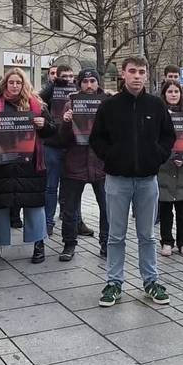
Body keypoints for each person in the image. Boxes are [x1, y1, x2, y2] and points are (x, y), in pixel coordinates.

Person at [90, 56, 176, 307]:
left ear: (147, 75)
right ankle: (114, 282)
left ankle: (151, 280)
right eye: (132, 71)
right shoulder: (109, 106)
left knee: (147, 235)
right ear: (123, 75)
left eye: (141, 72)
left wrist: (157, 156)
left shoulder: (156, 106)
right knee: (116, 235)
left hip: (148, 180)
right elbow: (97, 139)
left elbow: (168, 136)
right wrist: (112, 156)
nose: (137, 76)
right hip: (117, 180)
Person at [0, 68, 56, 265]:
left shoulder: (37, 104)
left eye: (18, 83)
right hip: (0, 165)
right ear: (5, 84)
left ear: (24, 84)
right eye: (11, 82)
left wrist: (43, 125)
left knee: (34, 205)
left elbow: (52, 130)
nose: (14, 86)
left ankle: (39, 245)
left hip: (30, 165)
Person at [59, 68, 109, 261]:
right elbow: (62, 139)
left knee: (107, 208)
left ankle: (106, 243)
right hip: (75, 163)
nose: (89, 85)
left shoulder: (107, 103)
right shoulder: (70, 104)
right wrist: (65, 123)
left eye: (93, 81)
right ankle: (69, 244)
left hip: (101, 164)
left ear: (98, 83)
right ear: (79, 84)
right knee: (70, 208)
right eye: (85, 81)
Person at [40, 65, 92, 236]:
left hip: (71, 147)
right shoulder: (50, 90)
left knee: (73, 188)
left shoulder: (78, 93)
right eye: (64, 76)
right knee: (51, 187)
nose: (68, 79)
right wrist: (54, 85)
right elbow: (38, 102)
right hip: (53, 145)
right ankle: (48, 222)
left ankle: (77, 221)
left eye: (71, 76)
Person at [157, 80, 183, 257]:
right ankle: (166, 241)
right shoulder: (158, 114)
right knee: (165, 209)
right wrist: (166, 156)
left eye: (176, 91)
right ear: (164, 94)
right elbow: (154, 140)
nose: (173, 94)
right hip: (165, 167)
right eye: (170, 92)